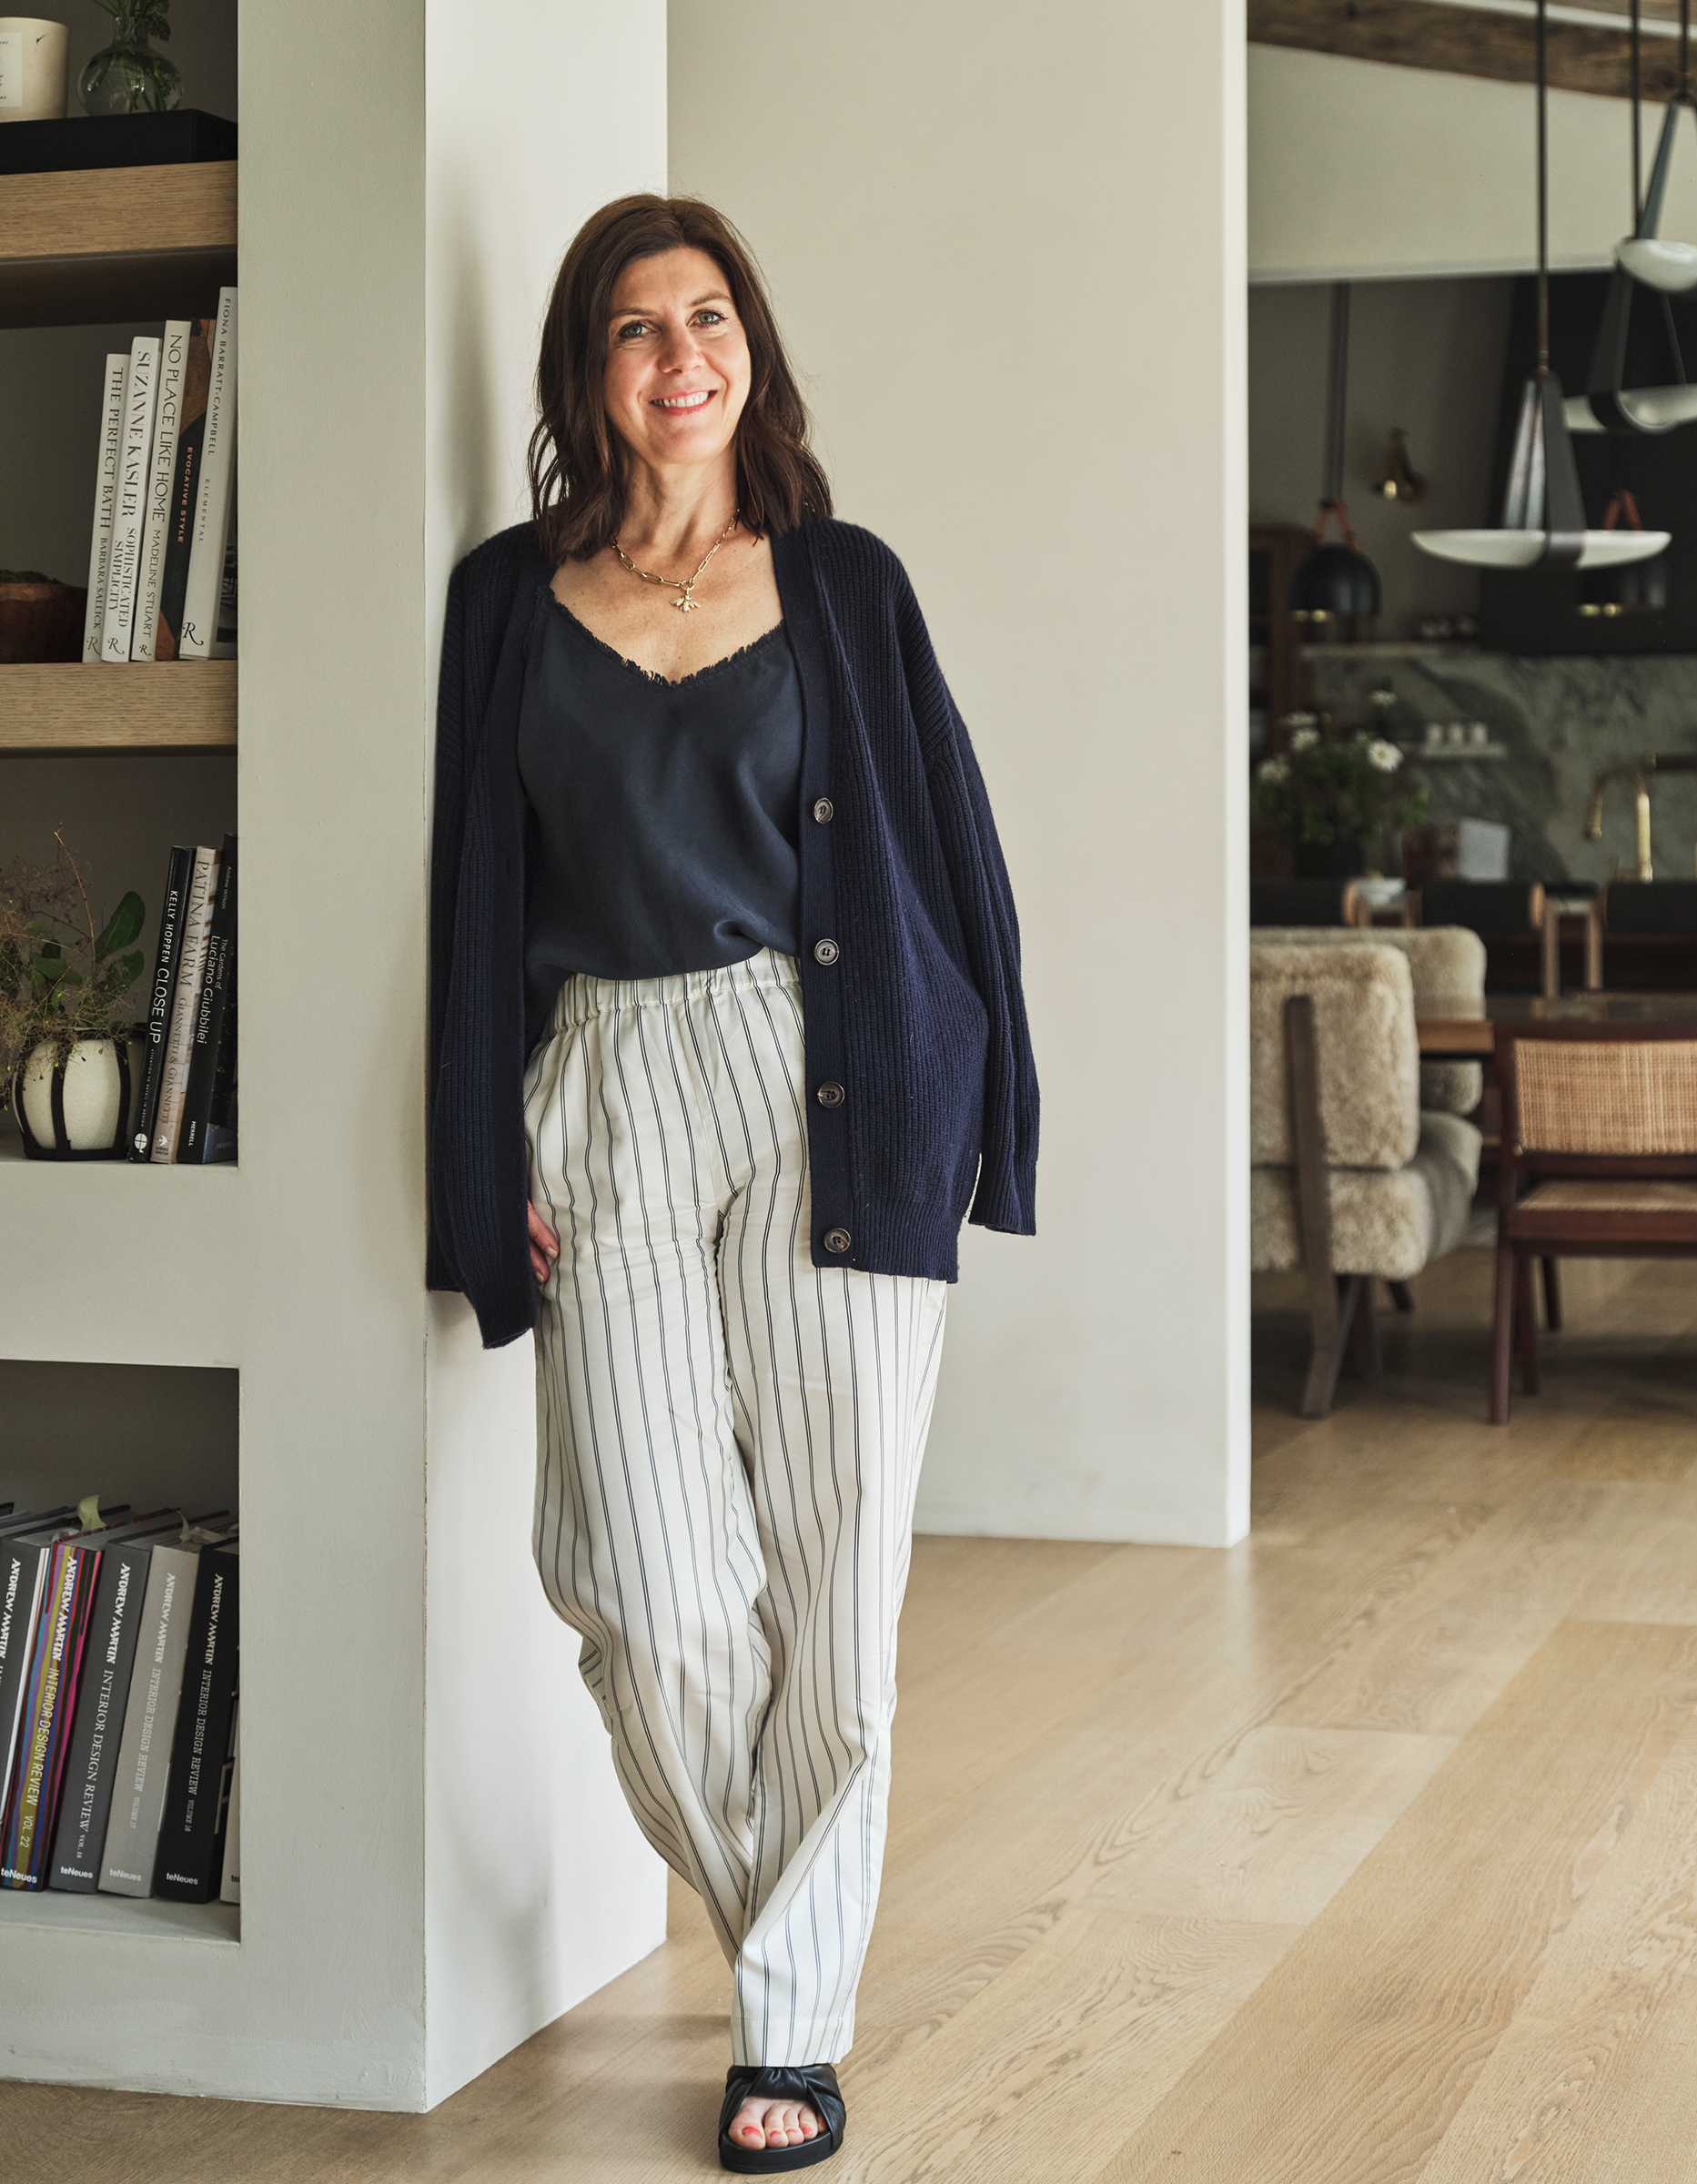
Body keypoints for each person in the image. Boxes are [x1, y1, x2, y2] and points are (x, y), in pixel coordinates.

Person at [428, 194, 1037, 2172]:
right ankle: (799, 1923)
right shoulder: (505, 599)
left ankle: (790, 2024)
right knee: (642, 1583)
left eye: (710, 317)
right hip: (600, 1077)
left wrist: (972, 1110)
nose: (680, 356)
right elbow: (469, 899)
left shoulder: (843, 582)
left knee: (838, 1593)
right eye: (635, 326)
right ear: (585, 373)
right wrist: (476, 1144)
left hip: (830, 1078)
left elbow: (951, 855)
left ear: (750, 350)